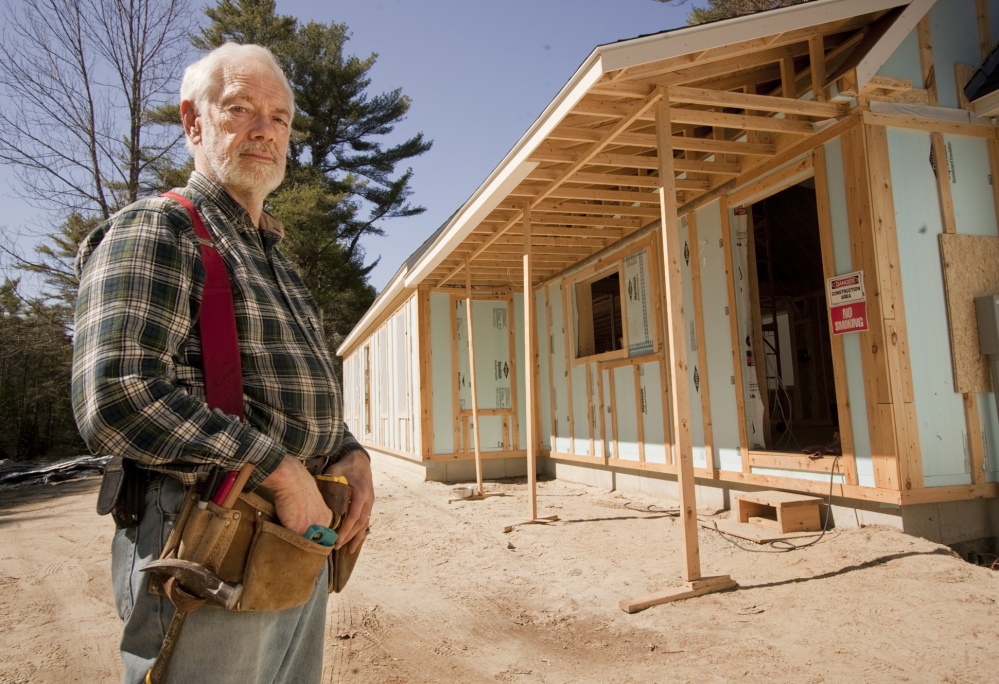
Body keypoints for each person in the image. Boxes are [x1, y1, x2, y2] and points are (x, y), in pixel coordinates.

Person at [71, 42, 374, 684]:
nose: (265, 130)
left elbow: (287, 393)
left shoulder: (276, 258)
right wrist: (282, 473)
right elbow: (117, 398)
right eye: (239, 109)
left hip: (290, 543)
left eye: (280, 117)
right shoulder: (159, 230)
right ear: (193, 122)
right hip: (206, 540)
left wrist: (349, 453)